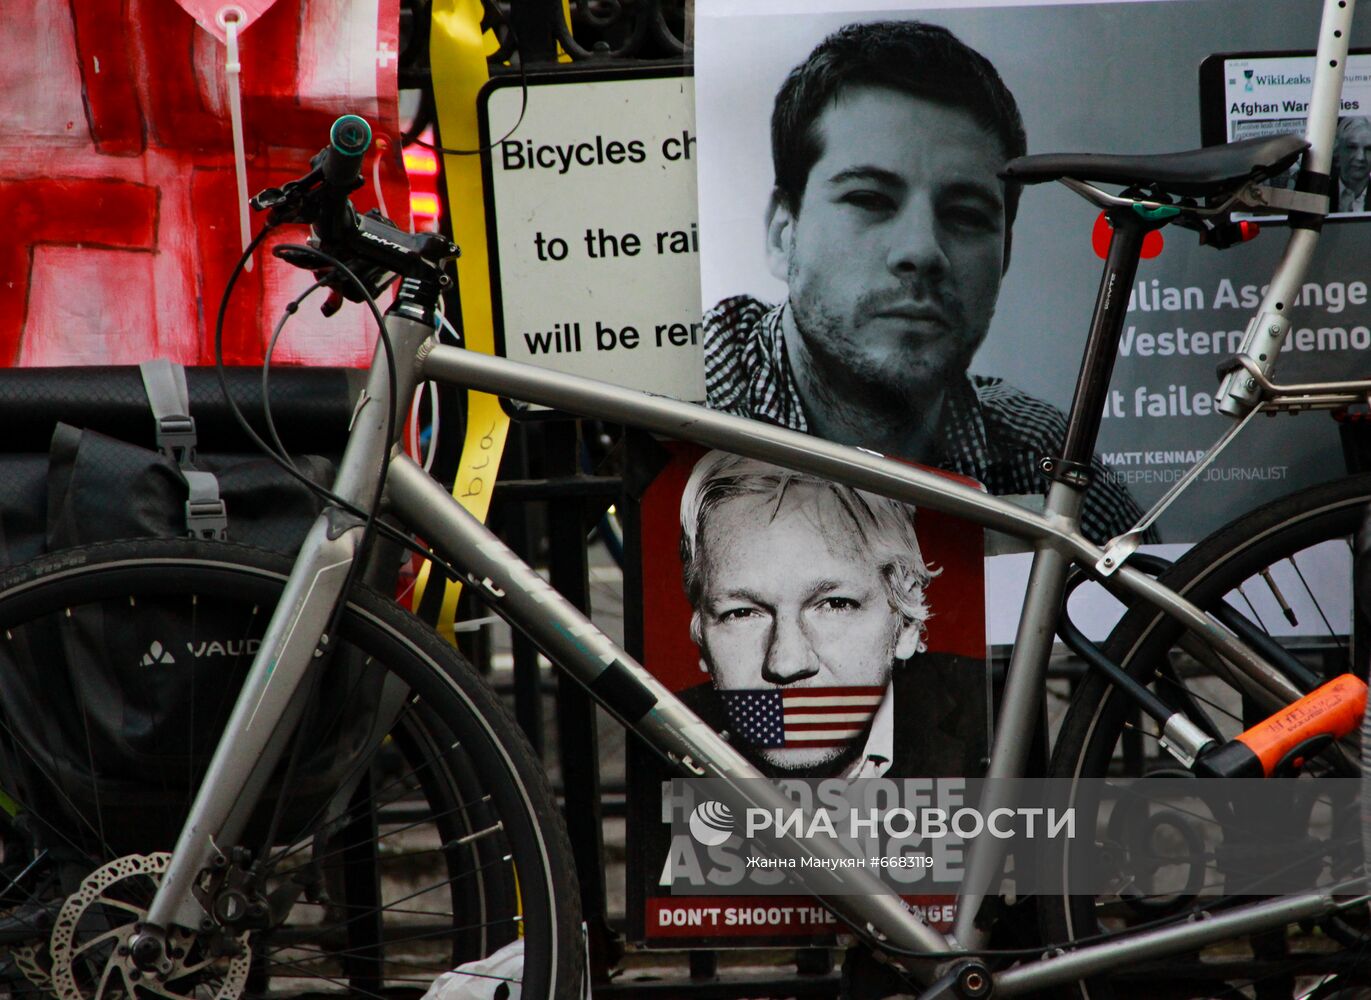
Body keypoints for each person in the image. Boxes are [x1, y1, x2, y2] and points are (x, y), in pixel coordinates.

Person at [703, 19, 1148, 545]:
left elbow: (1157, 627)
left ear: (1004, 254)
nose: (921, 250)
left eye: (965, 213)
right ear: (783, 233)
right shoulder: (694, 413)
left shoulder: (1046, 458)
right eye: (869, 199)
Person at [676, 450, 986, 781]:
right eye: (742, 613)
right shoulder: (662, 732)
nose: (786, 663)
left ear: (905, 624)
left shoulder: (996, 714)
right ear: (701, 636)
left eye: (835, 604)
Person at [1332, 116, 1371, 214]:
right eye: (1352, 147)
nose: (1360, 157)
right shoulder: (1320, 193)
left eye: (1369, 149)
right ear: (1337, 150)